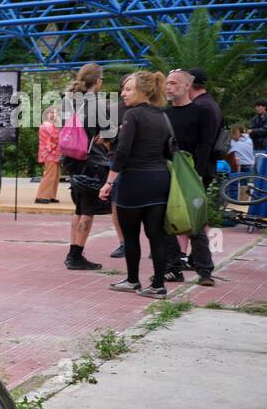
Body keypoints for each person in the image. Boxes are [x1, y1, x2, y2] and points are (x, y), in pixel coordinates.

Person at [99, 72, 172, 298]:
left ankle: (133, 280)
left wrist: (108, 182)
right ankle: (158, 285)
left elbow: (122, 153)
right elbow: (169, 151)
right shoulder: (163, 116)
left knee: (131, 236)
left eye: (128, 89)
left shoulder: (133, 115)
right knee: (156, 235)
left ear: (142, 91)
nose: (123, 93)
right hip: (160, 181)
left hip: (134, 182)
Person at [162, 69, 217, 287]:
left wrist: (199, 173)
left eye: (174, 83)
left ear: (187, 86)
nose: (168, 87)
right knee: (166, 221)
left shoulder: (201, 111)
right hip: (168, 172)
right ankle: (173, 267)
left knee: (196, 222)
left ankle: (204, 270)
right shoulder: (164, 113)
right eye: (167, 83)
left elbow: (206, 143)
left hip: (192, 172)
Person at [61, 63, 115, 270]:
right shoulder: (97, 103)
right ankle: (76, 255)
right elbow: (110, 133)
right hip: (92, 160)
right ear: (98, 81)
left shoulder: (69, 100)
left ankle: (73, 252)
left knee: (79, 207)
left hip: (72, 159)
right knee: (88, 210)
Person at [34, 106, 61, 203]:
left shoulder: (50, 125)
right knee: (50, 175)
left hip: (53, 153)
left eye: (55, 113)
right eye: (52, 113)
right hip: (50, 153)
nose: (54, 115)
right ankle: (42, 196)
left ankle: (50, 195)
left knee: (55, 175)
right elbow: (56, 136)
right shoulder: (47, 125)